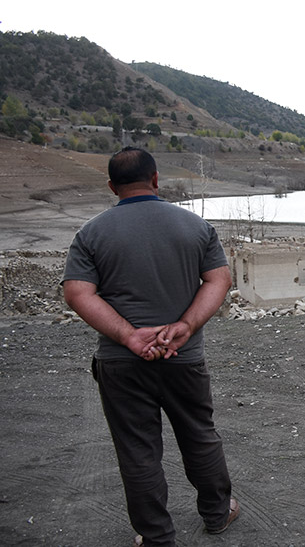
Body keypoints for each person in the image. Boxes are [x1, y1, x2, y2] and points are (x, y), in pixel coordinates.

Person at [62, 147, 239, 546]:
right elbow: (220, 280)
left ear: (112, 186)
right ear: (156, 179)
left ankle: (157, 537)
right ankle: (217, 514)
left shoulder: (90, 233)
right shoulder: (196, 226)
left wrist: (129, 336)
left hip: (121, 362)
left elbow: (77, 293)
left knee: (137, 450)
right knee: (199, 435)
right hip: (184, 357)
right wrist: (185, 326)